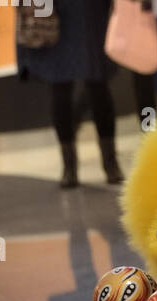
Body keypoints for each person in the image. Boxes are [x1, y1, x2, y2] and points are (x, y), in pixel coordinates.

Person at [16, 0, 124, 188]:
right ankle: (71, 165)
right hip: (53, 11)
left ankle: (108, 163)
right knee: (61, 87)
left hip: (89, 12)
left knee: (97, 85)